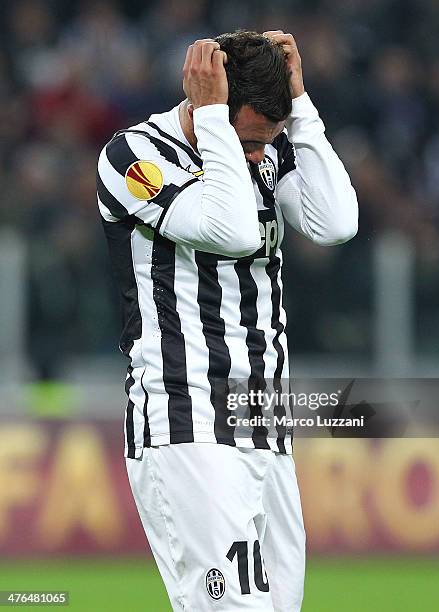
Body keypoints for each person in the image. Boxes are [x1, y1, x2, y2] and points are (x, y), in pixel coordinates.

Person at [97, 29, 358, 611]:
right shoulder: (133, 157)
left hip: (265, 416)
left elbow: (336, 222)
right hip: (186, 414)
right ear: (206, 101)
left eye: (269, 143)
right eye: (250, 143)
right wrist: (215, 120)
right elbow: (232, 230)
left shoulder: (263, 142)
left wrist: (301, 106)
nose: (259, 158)